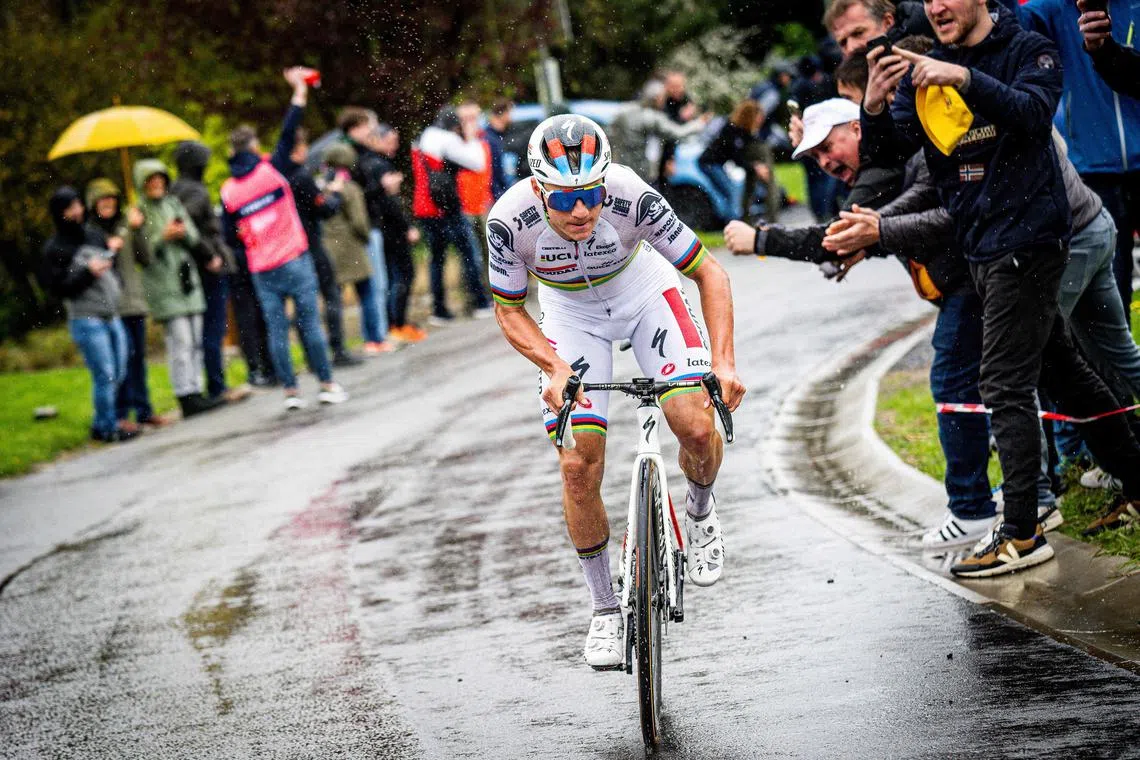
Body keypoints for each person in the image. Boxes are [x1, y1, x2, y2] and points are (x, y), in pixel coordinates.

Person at [861, 0, 1140, 575]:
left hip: (1031, 239)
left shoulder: (1026, 47)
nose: (936, 6)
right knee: (1071, 379)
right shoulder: (932, 65)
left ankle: (1022, 531)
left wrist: (963, 77)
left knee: (1003, 383)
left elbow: (1033, 113)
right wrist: (874, 108)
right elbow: (899, 153)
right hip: (979, 245)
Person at [488, 114, 746, 668]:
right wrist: (554, 367)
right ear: (538, 188)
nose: (581, 211)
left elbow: (711, 274)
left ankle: (699, 512)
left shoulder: (632, 196)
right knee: (577, 464)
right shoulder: (509, 220)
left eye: (591, 194)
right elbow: (509, 308)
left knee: (696, 424)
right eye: (564, 200)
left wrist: (722, 364)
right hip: (570, 315)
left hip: (645, 293)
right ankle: (606, 608)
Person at [221, 67, 349, 411]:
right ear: (252, 148)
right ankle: (326, 383)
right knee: (308, 322)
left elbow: (229, 234)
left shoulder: (229, 190)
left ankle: (291, 393)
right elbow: (290, 127)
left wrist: (250, 241)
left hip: (261, 267)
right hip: (293, 257)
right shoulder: (270, 170)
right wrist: (299, 90)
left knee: (277, 331)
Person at [1017, 0, 1140, 315]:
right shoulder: (1052, 9)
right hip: (1092, 170)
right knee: (1111, 289)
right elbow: (1007, 25)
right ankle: (1118, 364)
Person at [43, 187, 137, 443]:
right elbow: (58, 288)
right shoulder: (55, 248)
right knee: (104, 374)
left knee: (118, 370)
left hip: (111, 312)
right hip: (86, 318)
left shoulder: (94, 235)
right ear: (59, 213)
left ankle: (106, 422)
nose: (77, 211)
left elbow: (110, 266)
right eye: (70, 208)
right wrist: (87, 273)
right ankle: (107, 427)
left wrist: (111, 255)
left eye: (78, 205)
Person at [133, 158, 225, 419]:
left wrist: (182, 233)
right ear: (143, 183)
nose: (156, 184)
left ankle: (196, 389)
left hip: (186, 279)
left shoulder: (173, 203)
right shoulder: (139, 213)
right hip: (163, 283)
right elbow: (144, 255)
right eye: (151, 181)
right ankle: (184, 393)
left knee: (195, 337)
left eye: (160, 179)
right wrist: (161, 237)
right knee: (180, 341)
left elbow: (194, 236)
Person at [85, 178, 169, 432]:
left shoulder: (126, 225)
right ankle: (121, 413)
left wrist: (138, 228)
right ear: (94, 204)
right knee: (120, 362)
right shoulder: (90, 233)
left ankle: (144, 410)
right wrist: (107, 248)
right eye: (103, 200)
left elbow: (145, 257)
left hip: (134, 302)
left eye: (112, 199)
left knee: (138, 360)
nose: (108, 204)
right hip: (110, 308)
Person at [170, 140, 252, 403]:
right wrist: (210, 256)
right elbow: (190, 227)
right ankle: (217, 386)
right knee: (213, 329)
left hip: (190, 270)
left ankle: (211, 385)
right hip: (209, 267)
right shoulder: (194, 192)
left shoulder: (175, 190)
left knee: (203, 330)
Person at [412, 105, 493, 324]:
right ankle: (480, 302)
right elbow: (477, 162)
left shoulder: (424, 137)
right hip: (445, 207)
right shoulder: (446, 140)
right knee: (469, 253)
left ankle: (439, 309)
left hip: (425, 207)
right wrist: (470, 137)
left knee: (437, 260)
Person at [321, 143, 389, 350]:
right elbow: (360, 222)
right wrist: (366, 236)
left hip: (329, 251)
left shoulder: (321, 188)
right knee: (367, 293)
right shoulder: (350, 188)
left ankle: (338, 345)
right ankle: (374, 339)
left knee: (334, 300)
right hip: (353, 249)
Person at [340, 107, 397, 352]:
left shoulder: (359, 154)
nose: (372, 131)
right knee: (375, 284)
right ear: (354, 129)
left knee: (376, 284)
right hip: (364, 228)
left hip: (369, 225)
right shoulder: (350, 156)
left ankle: (377, 335)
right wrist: (382, 186)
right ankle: (376, 337)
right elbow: (358, 197)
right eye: (367, 126)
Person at [371, 123, 426, 342]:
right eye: (390, 141)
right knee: (402, 276)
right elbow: (390, 202)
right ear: (378, 140)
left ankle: (397, 322)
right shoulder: (379, 166)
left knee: (397, 276)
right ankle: (397, 323)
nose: (394, 145)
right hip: (391, 231)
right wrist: (407, 227)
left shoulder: (378, 163)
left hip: (386, 230)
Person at [607, 80, 708, 185]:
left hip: (619, 166)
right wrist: (698, 123)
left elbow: (610, 133)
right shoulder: (653, 117)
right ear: (655, 98)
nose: (663, 100)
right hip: (640, 172)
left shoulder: (625, 110)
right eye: (662, 97)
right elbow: (677, 133)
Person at [698, 99, 770, 224]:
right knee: (733, 193)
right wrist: (755, 168)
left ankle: (733, 222)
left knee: (731, 193)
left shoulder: (741, 131)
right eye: (758, 117)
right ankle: (733, 224)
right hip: (710, 163)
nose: (760, 120)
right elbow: (736, 158)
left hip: (717, 163)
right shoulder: (732, 131)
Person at [824, 0, 935, 58]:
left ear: (887, 22)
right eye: (843, 43)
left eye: (858, 33)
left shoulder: (928, 55)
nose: (851, 48)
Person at [485, 98, 514, 201]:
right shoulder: (490, 139)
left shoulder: (498, 136)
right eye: (509, 113)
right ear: (502, 114)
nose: (511, 118)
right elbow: (493, 172)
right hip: (496, 195)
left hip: (501, 192)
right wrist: (499, 195)